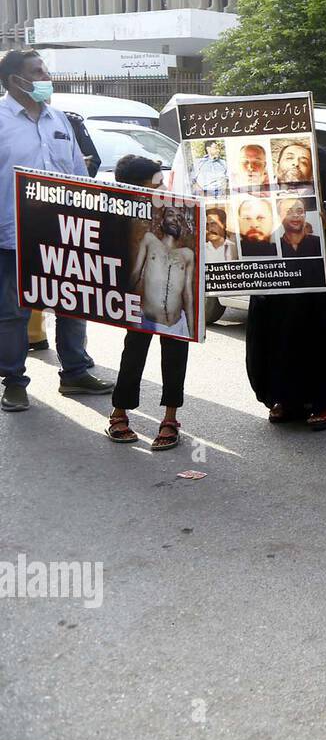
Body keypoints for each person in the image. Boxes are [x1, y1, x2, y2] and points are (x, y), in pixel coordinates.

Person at [1, 48, 114, 413]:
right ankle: (14, 383)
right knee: (13, 313)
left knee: (72, 304)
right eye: (38, 72)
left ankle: (75, 373)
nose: (46, 78)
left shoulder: (59, 119)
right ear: (15, 80)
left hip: (65, 232)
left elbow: (78, 176)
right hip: (12, 234)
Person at [244, 148, 326, 430]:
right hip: (278, 276)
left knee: (319, 332)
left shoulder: (325, 162)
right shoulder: (262, 180)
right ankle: (286, 399)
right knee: (278, 332)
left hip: (318, 278)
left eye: (303, 159)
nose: (296, 164)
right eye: (290, 158)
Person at [105, 155, 194, 450]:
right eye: (155, 185)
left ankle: (170, 418)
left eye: (163, 183)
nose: (163, 190)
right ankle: (119, 410)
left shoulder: (179, 220)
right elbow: (127, 272)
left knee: (175, 353)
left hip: (175, 313)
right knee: (134, 351)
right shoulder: (122, 219)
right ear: (137, 189)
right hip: (142, 308)